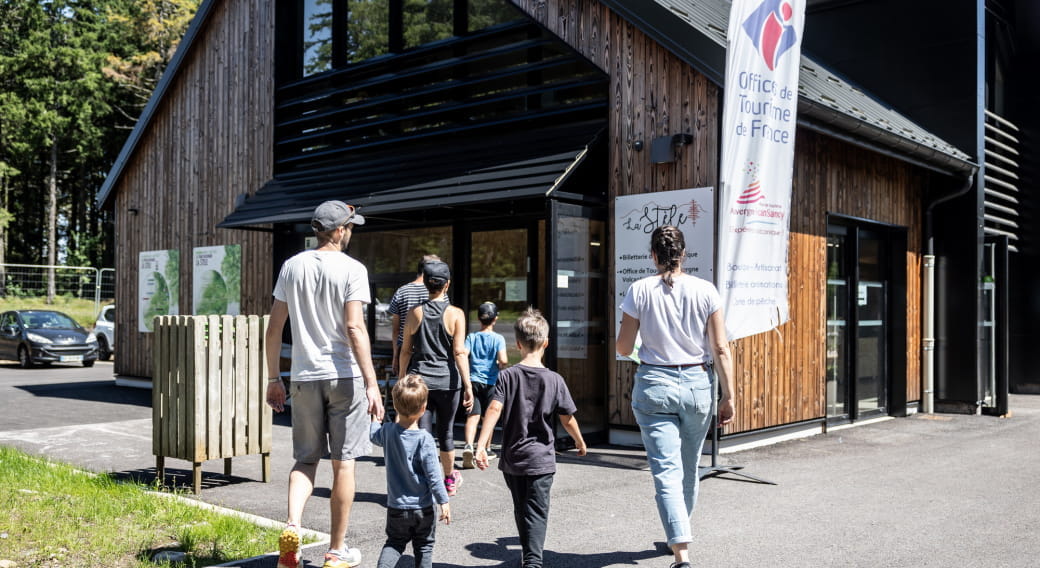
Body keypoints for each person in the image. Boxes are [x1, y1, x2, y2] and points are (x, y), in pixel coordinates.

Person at [264, 200, 385, 568]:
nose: (350, 232)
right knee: (343, 464)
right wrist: (372, 383)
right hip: (344, 374)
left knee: (304, 460)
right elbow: (354, 328)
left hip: (303, 375)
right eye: (349, 227)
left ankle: (292, 529)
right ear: (337, 230)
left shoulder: (292, 267)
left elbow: (273, 328)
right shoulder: (353, 269)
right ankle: (335, 551)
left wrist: (273, 378)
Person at [615, 225, 736, 568]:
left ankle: (681, 550)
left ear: (653, 256)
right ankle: (678, 535)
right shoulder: (705, 290)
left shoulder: (639, 290)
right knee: (687, 467)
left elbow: (624, 347)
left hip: (654, 385)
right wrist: (730, 397)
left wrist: (642, 346)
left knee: (666, 471)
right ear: (683, 255)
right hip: (699, 385)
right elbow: (721, 348)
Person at [474, 307, 587, 568]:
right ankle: (533, 561)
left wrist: (481, 445)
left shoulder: (506, 377)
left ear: (518, 344)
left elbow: (493, 408)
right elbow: (567, 418)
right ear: (546, 343)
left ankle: (528, 555)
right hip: (541, 460)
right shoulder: (555, 379)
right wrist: (580, 442)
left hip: (513, 458)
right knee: (536, 511)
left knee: (521, 507)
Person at [398, 260, 473, 496]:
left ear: (426, 285)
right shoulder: (456, 314)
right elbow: (459, 352)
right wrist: (468, 385)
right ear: (447, 285)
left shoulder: (414, 312)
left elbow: (406, 350)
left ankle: (423, 481)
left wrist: (402, 379)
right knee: (447, 432)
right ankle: (449, 479)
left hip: (420, 383)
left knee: (423, 433)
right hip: (448, 382)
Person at [369, 374, 451, 568]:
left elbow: (373, 435)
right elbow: (434, 475)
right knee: (424, 547)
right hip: (423, 507)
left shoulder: (387, 431)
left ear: (395, 407)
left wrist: (374, 419)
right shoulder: (425, 439)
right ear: (423, 409)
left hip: (396, 506)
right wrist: (444, 500)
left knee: (394, 543)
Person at [462, 301, 508, 469]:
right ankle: (486, 449)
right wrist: (497, 362)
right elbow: (503, 360)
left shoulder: (472, 337)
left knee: (473, 416)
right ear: (495, 319)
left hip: (473, 381)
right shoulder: (498, 339)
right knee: (488, 417)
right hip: (491, 382)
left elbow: (464, 354)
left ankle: (468, 446)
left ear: (479, 319)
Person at [388, 255, 442, 379]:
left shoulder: (401, 291)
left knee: (407, 393)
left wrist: (396, 356)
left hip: (405, 352)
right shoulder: (438, 293)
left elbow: (396, 329)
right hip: (430, 351)